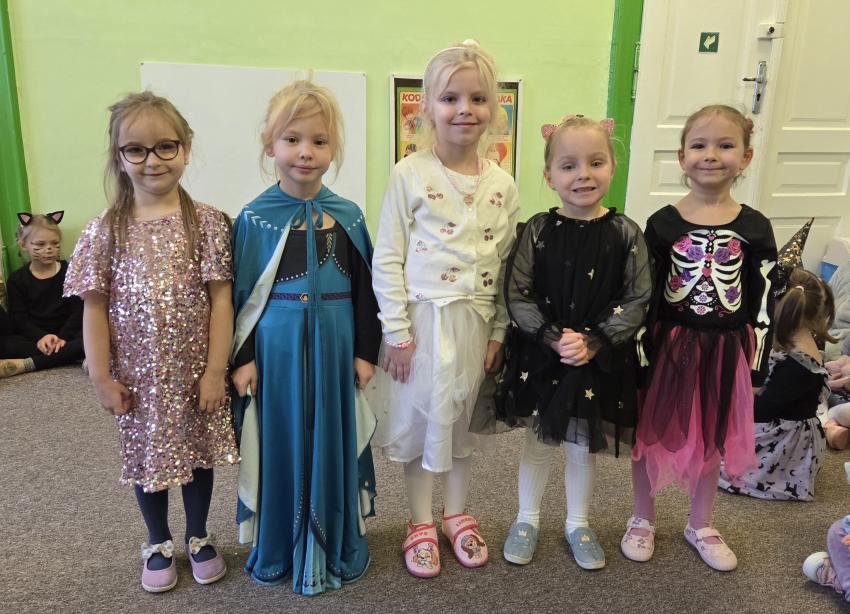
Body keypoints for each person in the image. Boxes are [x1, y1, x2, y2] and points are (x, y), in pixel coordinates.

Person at [64, 92, 238, 593]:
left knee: (197, 453)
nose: (152, 160)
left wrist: (215, 371)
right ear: (119, 156)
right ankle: (158, 539)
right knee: (147, 457)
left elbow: (221, 301)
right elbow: (94, 309)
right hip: (138, 378)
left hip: (195, 370)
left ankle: (199, 534)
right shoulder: (104, 230)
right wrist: (100, 376)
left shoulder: (207, 222)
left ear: (186, 148)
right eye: (136, 150)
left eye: (165, 146)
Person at [370, 40, 520, 578]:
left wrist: (499, 333)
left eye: (477, 99)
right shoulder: (409, 173)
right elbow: (388, 256)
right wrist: (397, 332)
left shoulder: (503, 184)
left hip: (475, 323)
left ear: (493, 109)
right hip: (422, 322)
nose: (464, 109)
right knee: (419, 421)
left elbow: (506, 266)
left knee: (460, 421)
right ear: (427, 108)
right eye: (450, 98)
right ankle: (419, 521)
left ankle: (455, 513)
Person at [230, 80, 381, 595]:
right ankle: (280, 543)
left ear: (333, 148)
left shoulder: (349, 215)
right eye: (292, 139)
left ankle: (335, 542)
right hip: (277, 351)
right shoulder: (255, 218)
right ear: (269, 144)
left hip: (337, 345)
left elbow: (366, 291)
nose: (305, 152)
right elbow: (241, 297)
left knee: (333, 435)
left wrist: (365, 352)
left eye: (319, 141)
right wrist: (243, 358)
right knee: (283, 438)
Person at [621, 104, 777, 571]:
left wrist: (757, 364)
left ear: (746, 156)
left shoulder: (755, 226)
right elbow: (643, 292)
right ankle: (642, 516)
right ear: (682, 157)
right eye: (699, 145)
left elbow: (764, 298)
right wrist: (638, 353)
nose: (711, 155)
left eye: (725, 145)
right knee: (649, 432)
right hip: (667, 345)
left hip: (725, 348)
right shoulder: (663, 223)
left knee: (713, 434)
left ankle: (701, 523)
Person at [497, 115, 651, 569]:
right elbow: (517, 291)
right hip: (544, 354)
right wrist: (552, 337)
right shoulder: (537, 230)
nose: (583, 174)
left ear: (612, 168)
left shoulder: (625, 232)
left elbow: (637, 296)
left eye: (595, 162)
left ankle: (578, 523)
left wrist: (595, 340)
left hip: (596, 357)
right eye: (569, 166)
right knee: (540, 440)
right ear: (549, 176)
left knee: (584, 444)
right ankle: (526, 518)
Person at [718, 267, 835, 500]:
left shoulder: (799, 365)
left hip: (783, 443)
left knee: (713, 463)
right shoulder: (801, 345)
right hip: (781, 424)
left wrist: (735, 401)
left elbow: (762, 410)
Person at [2, 211, 83, 377]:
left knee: (94, 338)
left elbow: (78, 312)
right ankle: (70, 355)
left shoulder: (70, 272)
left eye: (55, 243)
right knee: (4, 344)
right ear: (23, 244)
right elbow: (19, 319)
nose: (49, 249)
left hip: (68, 334)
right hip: (34, 338)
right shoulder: (16, 279)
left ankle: (28, 364)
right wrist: (41, 337)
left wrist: (62, 338)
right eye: (40, 244)